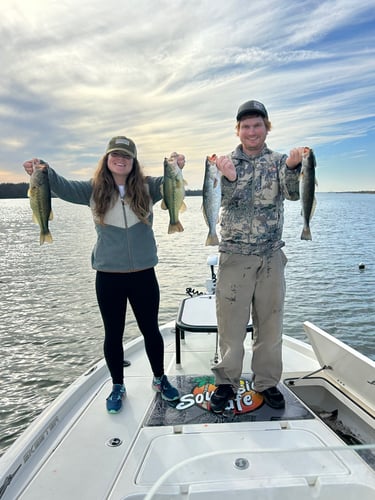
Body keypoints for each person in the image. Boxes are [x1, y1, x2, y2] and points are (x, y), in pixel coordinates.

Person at [23, 136, 180, 414]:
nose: (121, 160)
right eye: (115, 155)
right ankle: (117, 385)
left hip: (144, 274)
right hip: (108, 276)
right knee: (113, 334)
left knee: (151, 330)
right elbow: (61, 186)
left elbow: (171, 180)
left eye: (127, 156)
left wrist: (177, 163)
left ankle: (159, 378)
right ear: (107, 159)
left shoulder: (147, 187)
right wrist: (43, 170)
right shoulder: (92, 189)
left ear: (134, 162)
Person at [210, 100, 304, 413]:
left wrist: (292, 169)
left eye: (257, 125)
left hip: (270, 257)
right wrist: (227, 177)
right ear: (238, 130)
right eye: (246, 126)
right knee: (231, 328)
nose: (252, 131)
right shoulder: (222, 162)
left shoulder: (278, 161)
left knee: (270, 325)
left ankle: (265, 382)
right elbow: (216, 200)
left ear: (266, 127)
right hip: (234, 256)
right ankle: (226, 382)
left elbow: (292, 195)